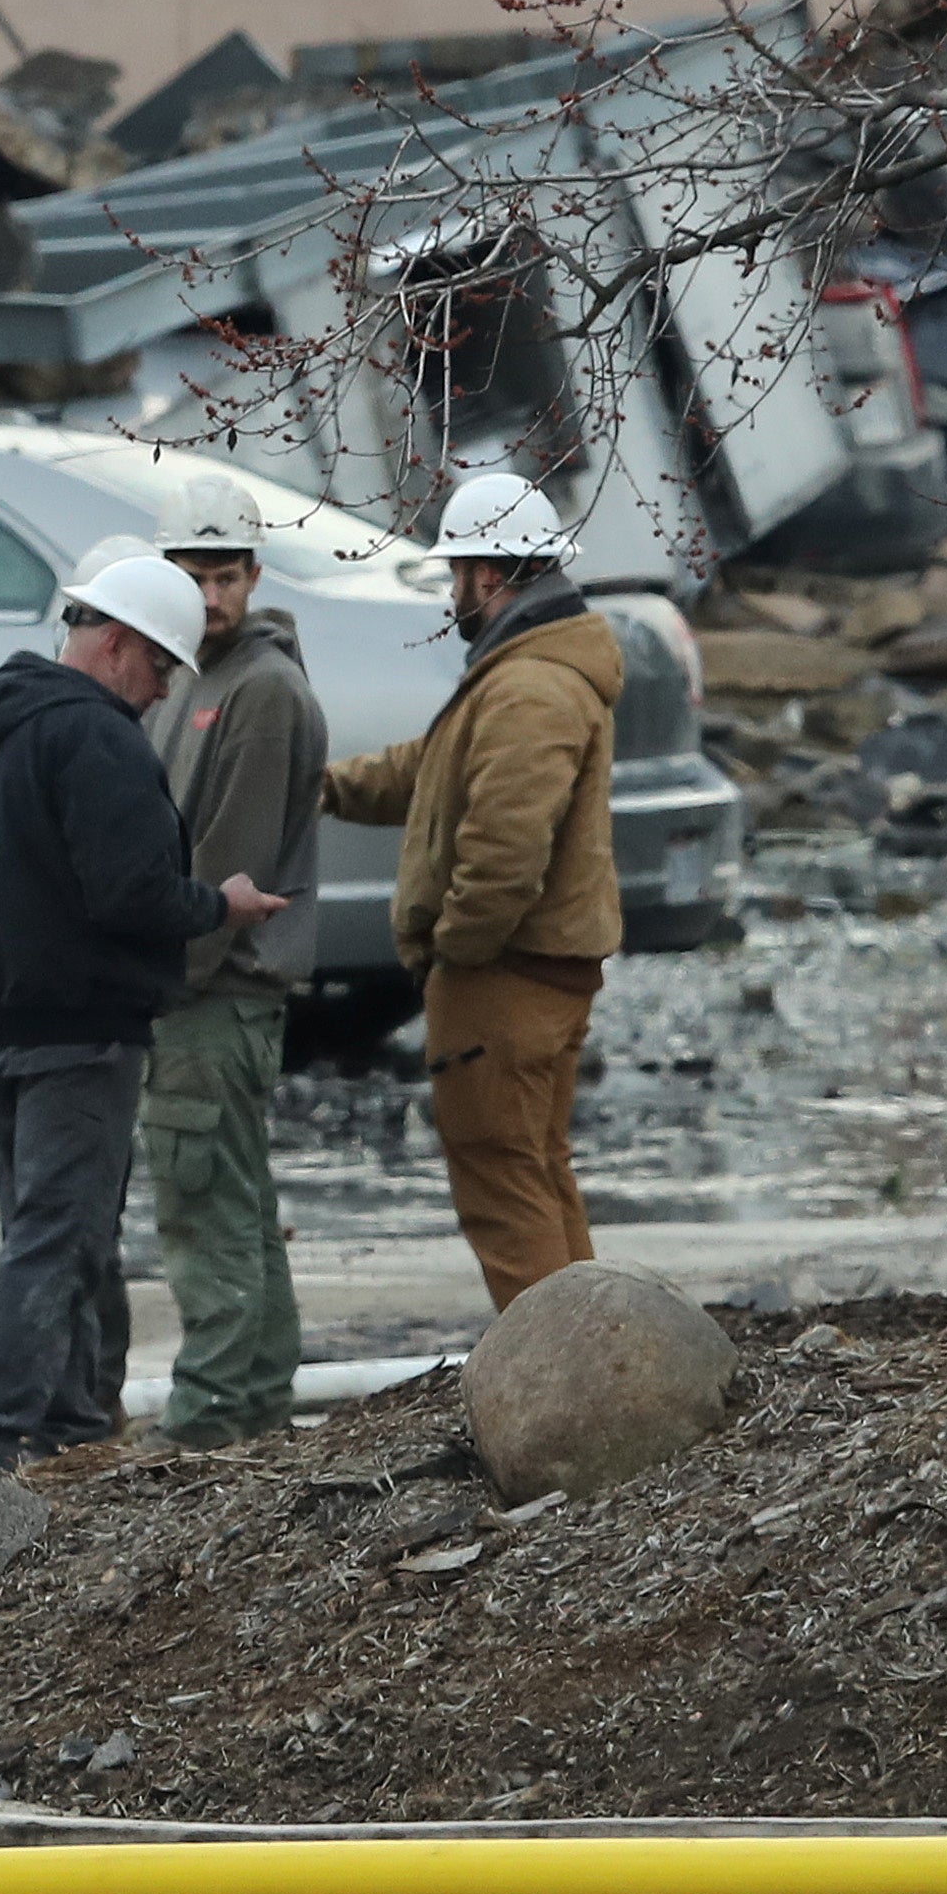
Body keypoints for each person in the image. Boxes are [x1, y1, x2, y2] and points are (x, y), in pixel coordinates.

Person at [0, 552, 290, 1472]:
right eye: (162, 667)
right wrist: (222, 905)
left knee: (53, 1231)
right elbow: (134, 896)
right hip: (79, 1033)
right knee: (58, 1236)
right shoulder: (97, 738)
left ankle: (77, 1422)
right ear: (119, 643)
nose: (162, 691)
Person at [322, 472, 624, 1308]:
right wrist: (326, 787)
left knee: (504, 1189)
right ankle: (599, 1367)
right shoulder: (522, 673)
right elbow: (431, 772)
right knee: (536, 1172)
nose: (450, 591)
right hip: (532, 972)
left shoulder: (530, 687)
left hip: (506, 979)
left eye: (456, 571)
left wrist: (455, 953)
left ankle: (566, 1390)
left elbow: (504, 855)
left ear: (488, 576)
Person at [138, 471, 328, 1450]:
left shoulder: (260, 691)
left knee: (203, 1201)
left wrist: (164, 982)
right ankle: (255, 1405)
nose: (211, 597)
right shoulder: (200, 676)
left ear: (255, 574)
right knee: (239, 1201)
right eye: (193, 575)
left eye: (226, 576)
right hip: (215, 995)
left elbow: (227, 869)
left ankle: (210, 1417)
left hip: (216, 992)